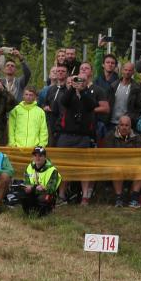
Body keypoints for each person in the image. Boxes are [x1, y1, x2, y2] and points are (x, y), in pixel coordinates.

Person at [54, 71, 98, 205]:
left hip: (83, 137)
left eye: (82, 81)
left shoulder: (89, 94)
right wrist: (72, 88)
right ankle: (61, 195)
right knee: (63, 166)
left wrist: (83, 91)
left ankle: (85, 196)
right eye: (77, 80)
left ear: (87, 82)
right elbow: (64, 101)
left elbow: (92, 105)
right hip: (66, 136)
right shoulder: (68, 94)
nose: (80, 83)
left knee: (83, 167)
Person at [105, 115, 141, 207]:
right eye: (122, 125)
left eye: (126, 125)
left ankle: (134, 199)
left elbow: (140, 154)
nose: (124, 127)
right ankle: (119, 198)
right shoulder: (110, 135)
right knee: (117, 170)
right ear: (118, 125)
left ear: (130, 127)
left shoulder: (137, 137)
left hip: (132, 165)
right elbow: (108, 154)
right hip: (115, 165)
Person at [16, 146, 61, 217]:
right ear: (32, 157)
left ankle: (45, 213)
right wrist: (27, 187)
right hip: (33, 191)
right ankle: (28, 213)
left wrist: (44, 188)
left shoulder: (52, 170)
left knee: (44, 198)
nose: (37, 158)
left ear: (45, 157)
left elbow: (51, 189)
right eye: (35, 155)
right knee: (22, 193)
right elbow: (26, 182)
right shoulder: (29, 167)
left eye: (40, 155)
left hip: (45, 193)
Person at [109, 62, 141, 132]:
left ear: (133, 72)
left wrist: (131, 118)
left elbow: (140, 109)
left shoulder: (136, 88)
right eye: (125, 70)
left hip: (127, 125)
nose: (127, 72)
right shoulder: (113, 86)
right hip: (111, 123)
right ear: (122, 70)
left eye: (130, 70)